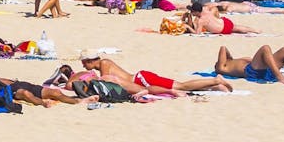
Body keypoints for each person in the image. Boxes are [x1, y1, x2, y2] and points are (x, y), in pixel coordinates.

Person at [82, 50, 233, 95]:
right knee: (180, 85)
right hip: (142, 77)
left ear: (90, 61)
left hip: (141, 80)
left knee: (181, 86)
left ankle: (215, 80)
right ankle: (214, 87)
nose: (83, 66)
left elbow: (106, 81)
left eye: (84, 63)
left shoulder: (104, 63)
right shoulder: (104, 63)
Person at [214, 45, 284, 85]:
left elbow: (225, 51)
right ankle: (279, 76)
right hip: (252, 72)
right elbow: (223, 48)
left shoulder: (233, 62)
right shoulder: (221, 68)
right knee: (265, 48)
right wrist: (229, 58)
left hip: (264, 70)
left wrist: (230, 58)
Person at [187, 4, 254, 35]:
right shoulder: (206, 9)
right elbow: (213, 5)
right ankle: (255, 30)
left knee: (238, 29)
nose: (191, 12)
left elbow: (197, 33)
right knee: (237, 27)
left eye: (192, 11)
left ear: (197, 12)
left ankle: (255, 30)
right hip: (224, 21)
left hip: (223, 29)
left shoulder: (201, 21)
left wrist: (188, 27)